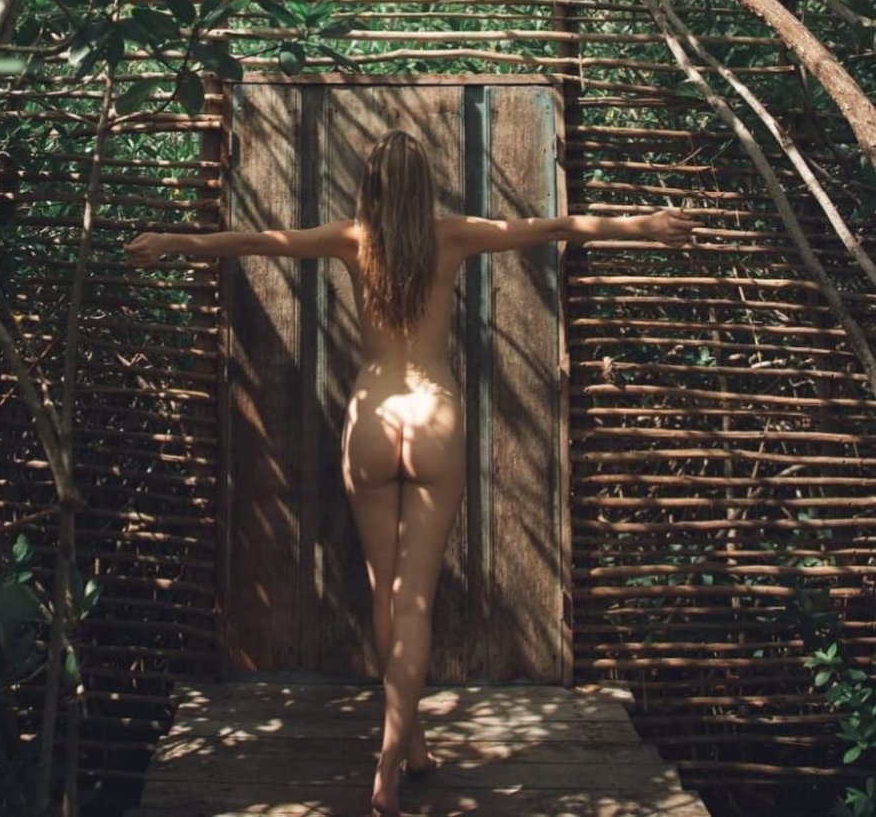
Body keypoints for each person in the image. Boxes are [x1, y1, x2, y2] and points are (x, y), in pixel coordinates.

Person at [124, 128, 694, 817]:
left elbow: (258, 241)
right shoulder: (452, 235)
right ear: (424, 184)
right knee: (415, 598)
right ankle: (396, 754)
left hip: (372, 416)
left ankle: (405, 744)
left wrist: (173, 242)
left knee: (385, 592)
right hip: (433, 416)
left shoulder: (351, 238)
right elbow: (552, 226)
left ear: (370, 184)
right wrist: (644, 225)